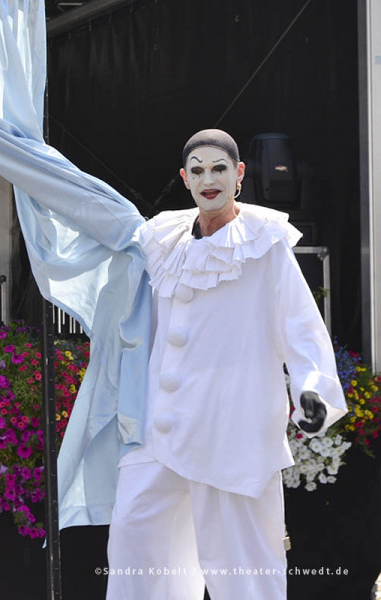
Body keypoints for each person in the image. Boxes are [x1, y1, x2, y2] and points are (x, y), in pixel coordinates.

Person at [104, 129, 347, 599]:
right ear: (184, 178)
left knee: (244, 568)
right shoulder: (163, 240)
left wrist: (311, 388)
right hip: (162, 427)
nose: (207, 179)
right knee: (136, 544)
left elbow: (300, 324)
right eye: (196, 170)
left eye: (218, 168)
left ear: (239, 174)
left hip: (231, 428)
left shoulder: (264, 243)